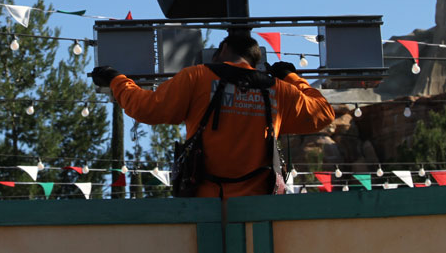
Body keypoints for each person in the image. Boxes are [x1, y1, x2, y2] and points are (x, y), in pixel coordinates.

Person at [90, 33, 335, 198]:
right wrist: (291, 76)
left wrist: (116, 80)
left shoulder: (197, 77)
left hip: (205, 204)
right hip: (259, 207)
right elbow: (323, 112)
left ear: (225, 49)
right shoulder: (277, 90)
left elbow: (145, 107)